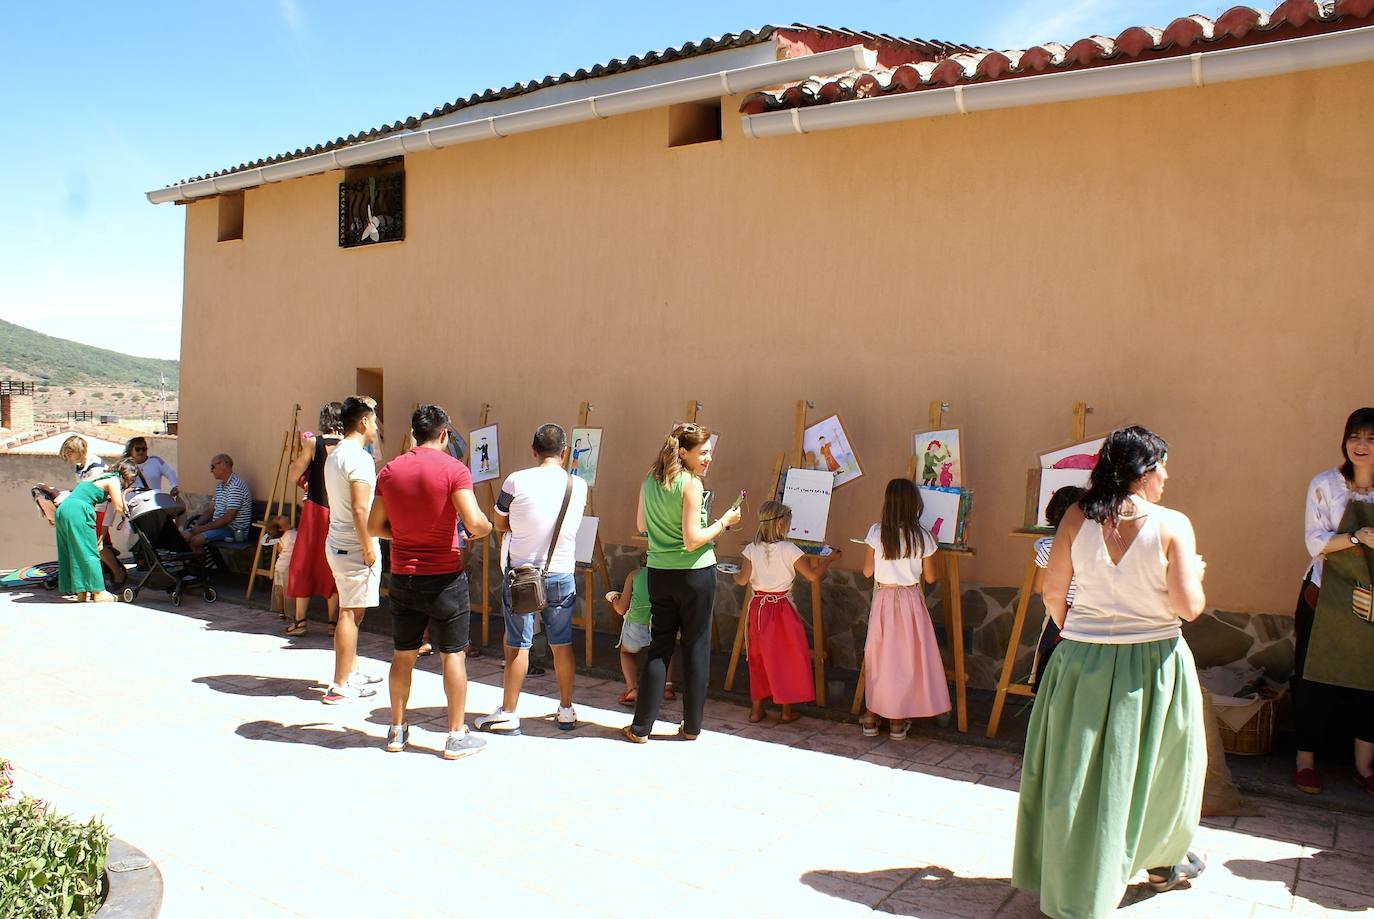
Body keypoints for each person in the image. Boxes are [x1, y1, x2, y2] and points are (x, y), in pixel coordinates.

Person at [1013, 426, 1208, 918]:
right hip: (1154, 664)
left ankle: (1074, 878)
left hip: (1082, 661)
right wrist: (1197, 578)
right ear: (1143, 472)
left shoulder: (1076, 517)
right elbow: (1188, 606)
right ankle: (1161, 865)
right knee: (1157, 772)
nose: (1167, 474)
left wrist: (1083, 636)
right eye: (1162, 464)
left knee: (1076, 775)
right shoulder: (1173, 525)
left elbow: (1053, 594)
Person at [368, 404, 492, 759]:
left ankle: (396, 730)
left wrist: (407, 535)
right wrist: (477, 530)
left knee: (402, 654)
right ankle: (455, 735)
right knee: (452, 656)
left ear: (414, 434)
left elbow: (375, 526)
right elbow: (475, 522)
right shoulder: (454, 470)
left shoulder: (389, 471)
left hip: (404, 575)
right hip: (445, 577)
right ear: (444, 434)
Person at [622, 422, 741, 744]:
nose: (708, 459)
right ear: (684, 452)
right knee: (696, 647)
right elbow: (692, 541)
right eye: (703, 453)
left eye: (709, 453)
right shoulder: (691, 484)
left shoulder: (650, 480)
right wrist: (724, 522)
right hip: (695, 574)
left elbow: (640, 524)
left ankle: (640, 728)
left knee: (659, 647)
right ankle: (691, 727)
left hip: (659, 572)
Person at [476, 424, 587, 736]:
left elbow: (499, 522)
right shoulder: (577, 485)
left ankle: (509, 711)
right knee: (561, 644)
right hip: (562, 572)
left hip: (523, 574)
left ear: (534, 451)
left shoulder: (516, 480)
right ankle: (566, 709)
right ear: (564, 453)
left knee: (518, 645)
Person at [1292, 407, 1374, 795]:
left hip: (1371, 600)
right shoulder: (1325, 485)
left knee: (1368, 682)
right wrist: (1357, 538)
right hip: (1323, 594)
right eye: (1355, 436)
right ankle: (1305, 762)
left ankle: (1364, 767)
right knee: (1313, 680)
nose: (1361, 445)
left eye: (1371, 438)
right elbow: (1315, 542)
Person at [732, 501, 838, 723]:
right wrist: (829, 560)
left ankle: (756, 710)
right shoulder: (789, 550)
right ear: (781, 523)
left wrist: (734, 574)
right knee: (786, 658)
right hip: (782, 610)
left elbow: (742, 581)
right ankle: (786, 711)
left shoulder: (751, 549)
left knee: (758, 658)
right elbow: (812, 576)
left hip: (759, 610)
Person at [859, 479, 949, 740]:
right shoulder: (924, 537)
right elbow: (931, 578)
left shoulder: (876, 532)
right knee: (904, 660)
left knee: (878, 657)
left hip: (884, 599)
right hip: (910, 601)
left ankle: (871, 718)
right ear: (915, 503)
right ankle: (897, 722)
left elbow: (867, 571)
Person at [321, 397, 384, 704]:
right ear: (362, 422)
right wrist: (368, 547)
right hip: (353, 545)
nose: (376, 427)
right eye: (373, 420)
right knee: (349, 612)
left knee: (354, 611)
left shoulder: (336, 455)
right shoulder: (359, 458)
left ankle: (351, 668)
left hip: (338, 541)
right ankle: (340, 683)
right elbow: (361, 509)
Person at [283, 403, 342, 638]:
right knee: (334, 563)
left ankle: (300, 621)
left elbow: (293, 475)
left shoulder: (313, 443)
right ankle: (333, 623)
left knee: (304, 561)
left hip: (315, 510)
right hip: (339, 511)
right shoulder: (349, 446)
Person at [53, 460, 138, 602]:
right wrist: (131, 514)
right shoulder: (113, 480)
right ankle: (99, 592)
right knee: (89, 550)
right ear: (127, 475)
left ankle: (82, 593)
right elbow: (118, 507)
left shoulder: (99, 476)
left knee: (74, 551)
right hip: (78, 509)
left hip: (64, 509)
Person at [1029, 485, 1084, 690]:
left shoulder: (1048, 546)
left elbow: (1038, 587)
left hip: (1057, 615)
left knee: (1048, 669)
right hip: (1087, 613)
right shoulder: (1094, 542)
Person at [185, 454, 252, 552]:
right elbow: (210, 510)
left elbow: (229, 518)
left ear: (224, 464)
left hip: (233, 530)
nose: (211, 470)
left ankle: (198, 567)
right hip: (219, 527)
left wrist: (202, 529)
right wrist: (197, 526)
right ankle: (195, 565)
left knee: (196, 540)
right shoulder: (220, 486)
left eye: (213, 466)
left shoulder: (236, 486)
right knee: (183, 535)